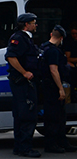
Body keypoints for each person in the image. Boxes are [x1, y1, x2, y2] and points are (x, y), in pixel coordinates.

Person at [5, 13, 41, 157]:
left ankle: (20, 147)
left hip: (25, 83)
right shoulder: (18, 38)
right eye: (34, 22)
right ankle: (24, 148)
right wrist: (24, 72)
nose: (36, 25)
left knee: (23, 114)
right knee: (27, 114)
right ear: (26, 24)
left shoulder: (26, 38)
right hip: (22, 83)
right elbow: (11, 56)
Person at [40, 25, 77, 153]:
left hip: (47, 86)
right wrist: (61, 89)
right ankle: (51, 144)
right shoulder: (53, 51)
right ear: (61, 38)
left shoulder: (43, 47)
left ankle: (62, 142)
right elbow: (54, 70)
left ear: (51, 34)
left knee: (60, 116)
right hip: (53, 88)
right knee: (54, 117)